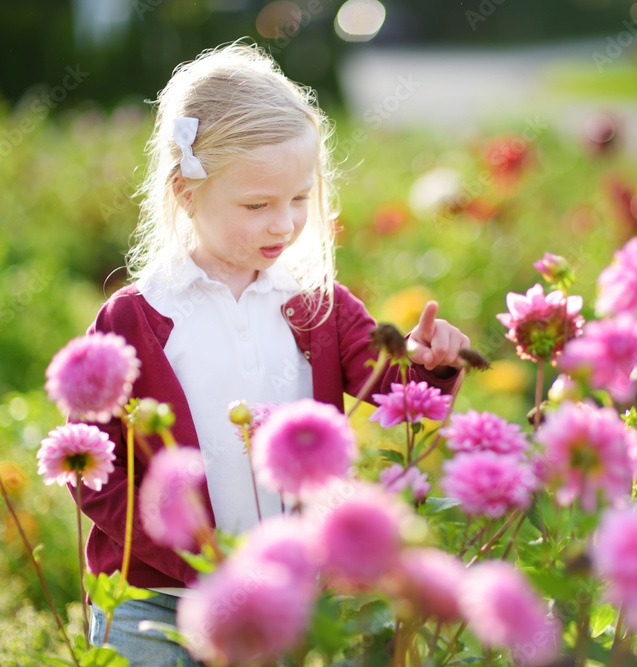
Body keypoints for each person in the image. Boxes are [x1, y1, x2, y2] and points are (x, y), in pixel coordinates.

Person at [74, 42, 470, 666]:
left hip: (290, 592)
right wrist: (192, 556)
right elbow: (94, 468)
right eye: (257, 206)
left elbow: (394, 391)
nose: (283, 225)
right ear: (185, 190)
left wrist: (431, 362)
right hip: (153, 597)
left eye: (297, 200)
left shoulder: (318, 305)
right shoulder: (135, 317)